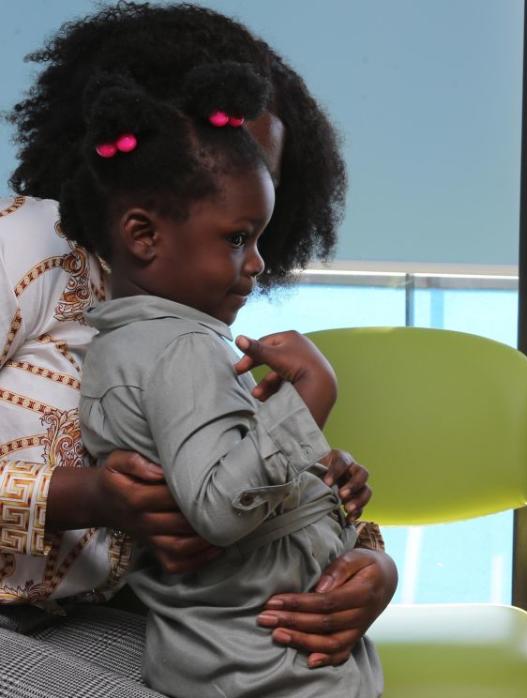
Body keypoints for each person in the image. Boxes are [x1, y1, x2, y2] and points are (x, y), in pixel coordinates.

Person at [0, 2, 394, 688]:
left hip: (83, 617)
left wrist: (369, 564)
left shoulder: (199, 313)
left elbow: (236, 492)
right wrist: (82, 496)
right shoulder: (24, 246)